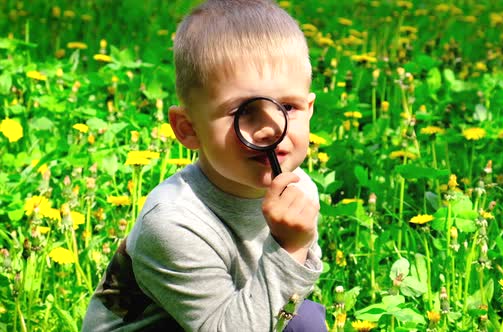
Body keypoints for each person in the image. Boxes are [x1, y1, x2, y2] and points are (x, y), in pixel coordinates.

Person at [82, 0, 326, 331]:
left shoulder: (298, 191)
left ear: (309, 109)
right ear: (189, 128)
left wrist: (291, 248)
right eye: (242, 111)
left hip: (234, 316)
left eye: (288, 106)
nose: (270, 128)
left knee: (305, 320)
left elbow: (286, 298)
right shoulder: (173, 222)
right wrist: (289, 247)